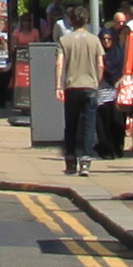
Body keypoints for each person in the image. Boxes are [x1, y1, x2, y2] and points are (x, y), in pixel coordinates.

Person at [55, 11, 106, 175]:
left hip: (71, 87)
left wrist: (58, 86)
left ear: (71, 20)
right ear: (86, 21)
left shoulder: (64, 40)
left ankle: (70, 160)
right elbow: (100, 65)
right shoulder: (95, 40)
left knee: (70, 125)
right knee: (88, 125)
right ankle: (85, 161)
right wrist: (96, 83)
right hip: (90, 87)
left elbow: (59, 64)